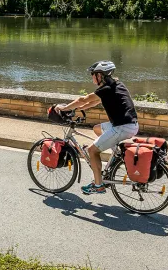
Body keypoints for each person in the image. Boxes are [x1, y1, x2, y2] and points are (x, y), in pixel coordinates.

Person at [56, 61, 139, 195]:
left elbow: (83, 99)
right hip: (131, 125)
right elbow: (94, 101)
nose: (92, 77)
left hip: (122, 127)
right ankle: (116, 155)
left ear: (100, 75)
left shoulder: (105, 89)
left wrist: (64, 108)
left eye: (93, 74)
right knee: (97, 129)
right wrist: (79, 108)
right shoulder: (116, 85)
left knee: (92, 151)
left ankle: (98, 185)